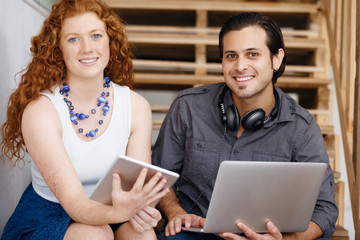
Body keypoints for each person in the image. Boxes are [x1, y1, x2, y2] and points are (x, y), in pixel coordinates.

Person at [152, 12, 338, 240]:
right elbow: (159, 177)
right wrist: (175, 212)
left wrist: (287, 239)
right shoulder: (188, 107)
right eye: (231, 56)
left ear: (276, 59)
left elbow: (325, 210)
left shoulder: (302, 127)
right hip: (196, 232)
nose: (240, 66)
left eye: (252, 54)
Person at [0, 0, 170, 239]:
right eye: (73, 39)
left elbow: (135, 187)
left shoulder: (136, 105)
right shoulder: (41, 111)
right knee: (95, 234)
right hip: (48, 216)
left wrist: (144, 210)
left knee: (142, 233)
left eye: (96, 36)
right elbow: (75, 203)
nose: (87, 48)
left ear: (110, 41)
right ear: (58, 49)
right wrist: (121, 211)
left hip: (113, 211)